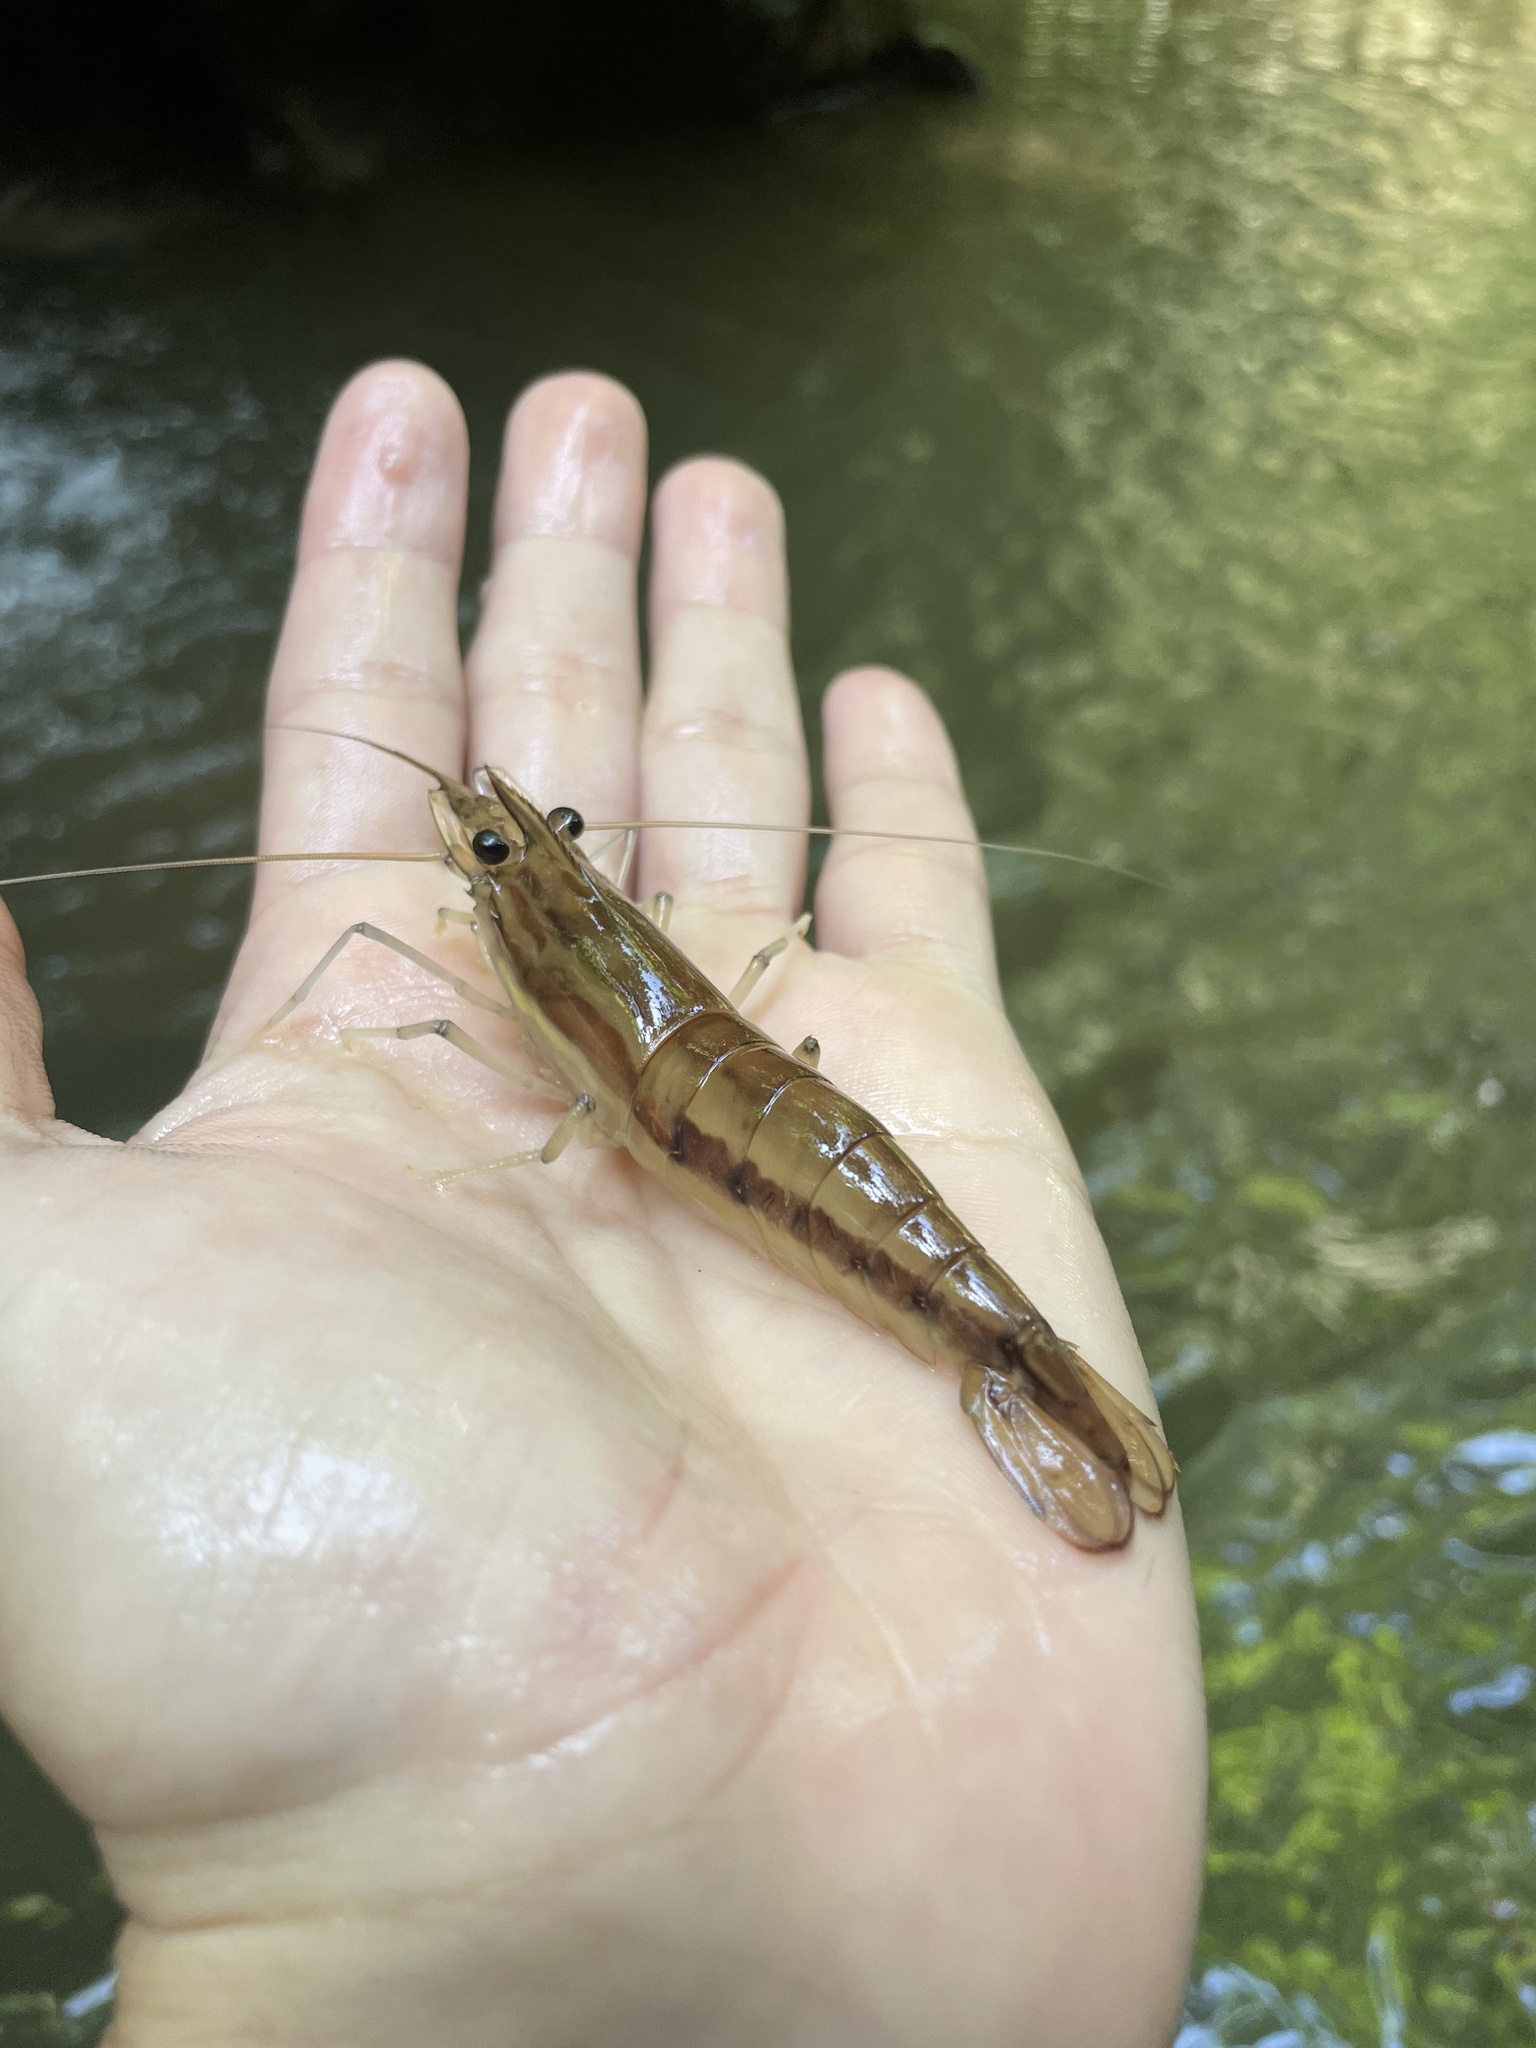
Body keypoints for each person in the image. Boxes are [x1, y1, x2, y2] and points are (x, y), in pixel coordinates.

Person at [0, 364, 1205, 2045]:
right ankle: (1010, 1339)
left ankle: (1001, 1352)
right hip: (773, 1103)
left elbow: (547, 1086)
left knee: (447, 1001)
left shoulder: (515, 954)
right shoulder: (573, 917)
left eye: (518, 848)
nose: (500, 852)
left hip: (721, 1118)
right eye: (507, 855)